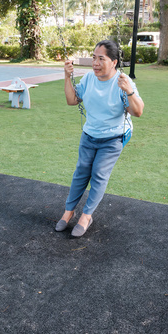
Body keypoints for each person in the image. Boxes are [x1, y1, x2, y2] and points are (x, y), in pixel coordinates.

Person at [56, 40, 144, 237]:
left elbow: (137, 112)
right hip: (90, 134)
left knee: (98, 173)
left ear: (113, 62)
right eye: (94, 58)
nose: (95, 63)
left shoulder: (122, 82)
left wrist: (128, 91)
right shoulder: (88, 79)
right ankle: (68, 212)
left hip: (114, 137)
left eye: (101, 59)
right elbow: (72, 100)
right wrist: (67, 76)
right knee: (81, 172)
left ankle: (86, 216)